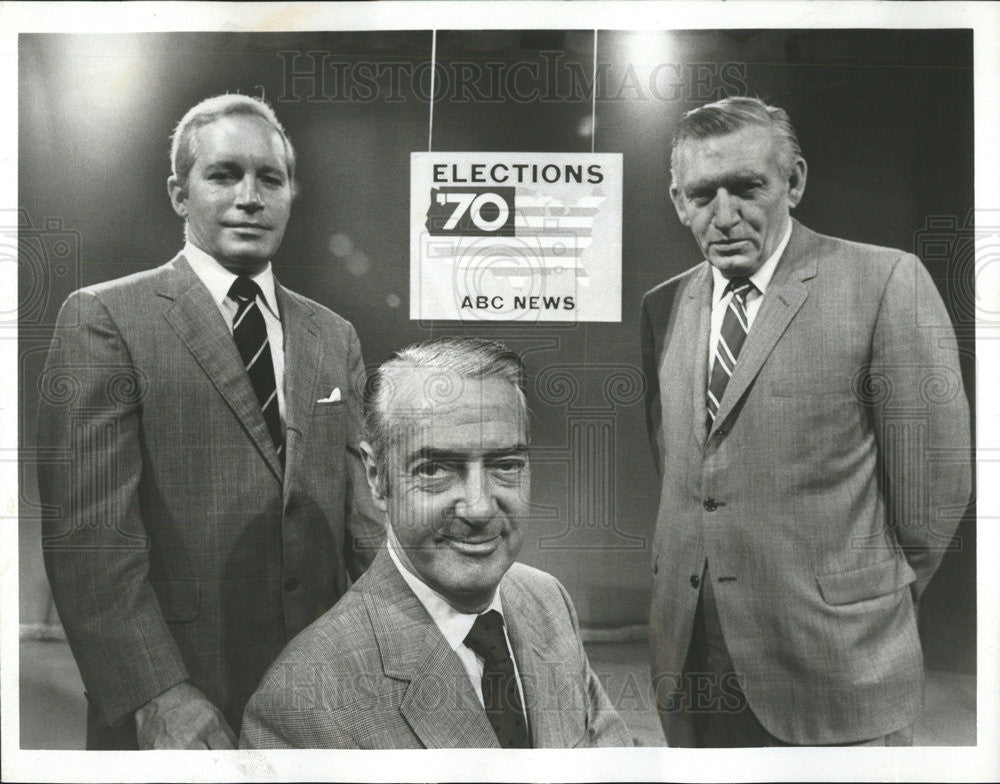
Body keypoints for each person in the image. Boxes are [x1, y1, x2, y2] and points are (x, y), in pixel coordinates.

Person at [37, 94, 384, 749]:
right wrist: (158, 697)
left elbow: (364, 527)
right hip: (180, 707)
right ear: (179, 193)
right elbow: (89, 543)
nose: (250, 196)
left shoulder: (332, 335)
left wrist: (398, 658)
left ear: (290, 194)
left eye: (270, 178)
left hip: (322, 702)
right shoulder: (106, 319)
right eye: (224, 174)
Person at [640, 97, 971, 747]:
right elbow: (686, 472)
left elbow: (934, 495)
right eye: (703, 194)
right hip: (692, 658)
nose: (725, 214)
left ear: (793, 181)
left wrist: (857, 603)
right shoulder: (663, 305)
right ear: (678, 199)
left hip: (838, 665)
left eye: (748, 187)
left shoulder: (885, 281)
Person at [240, 337, 633, 749]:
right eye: (435, 470)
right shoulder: (302, 704)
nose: (480, 509)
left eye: (506, 465)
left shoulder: (546, 598)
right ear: (376, 477)